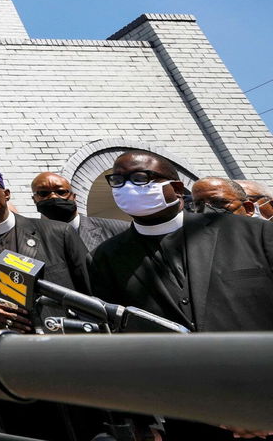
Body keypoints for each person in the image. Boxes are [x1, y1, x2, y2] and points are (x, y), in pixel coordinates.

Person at [91, 151, 273, 440]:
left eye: (140, 178)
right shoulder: (107, 256)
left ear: (176, 189)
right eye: (118, 180)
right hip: (189, 412)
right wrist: (143, 417)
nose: (127, 187)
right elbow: (120, 340)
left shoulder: (254, 234)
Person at [0, 166, 95, 441]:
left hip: (68, 363)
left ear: (5, 193)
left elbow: (91, 294)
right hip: (12, 371)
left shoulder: (57, 232)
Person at [30, 171, 127, 251]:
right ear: (34, 199)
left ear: (74, 197)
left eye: (61, 192)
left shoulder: (119, 230)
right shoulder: (25, 238)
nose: (53, 196)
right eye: (43, 193)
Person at [189, 176, 254, 217]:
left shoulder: (261, 237)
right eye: (198, 204)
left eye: (217, 202)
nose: (207, 210)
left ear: (248, 209)